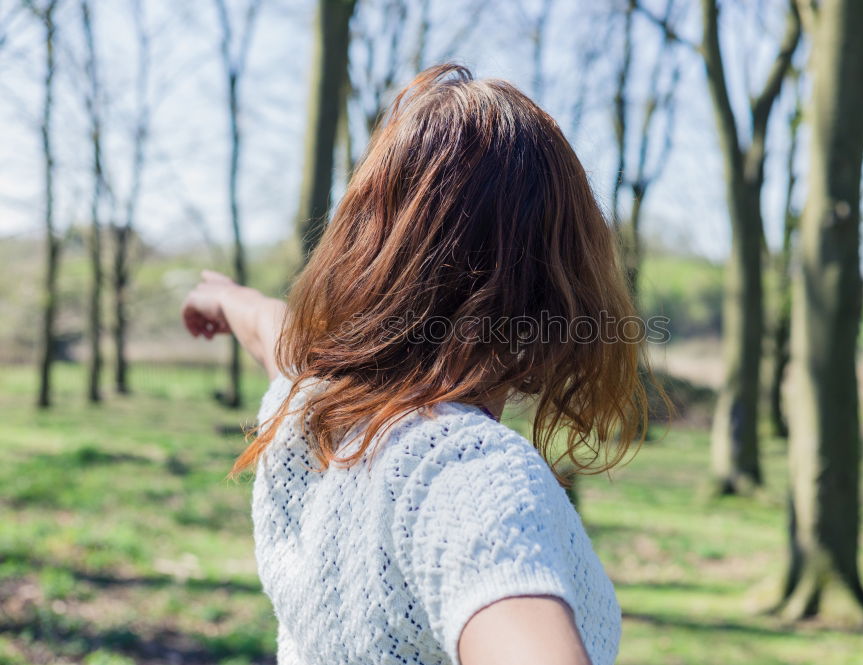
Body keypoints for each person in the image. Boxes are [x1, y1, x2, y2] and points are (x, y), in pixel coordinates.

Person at [181, 64, 658, 665]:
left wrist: (229, 299)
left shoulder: (310, 403)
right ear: (554, 283)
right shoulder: (467, 470)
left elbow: (275, 334)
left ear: (366, 251)